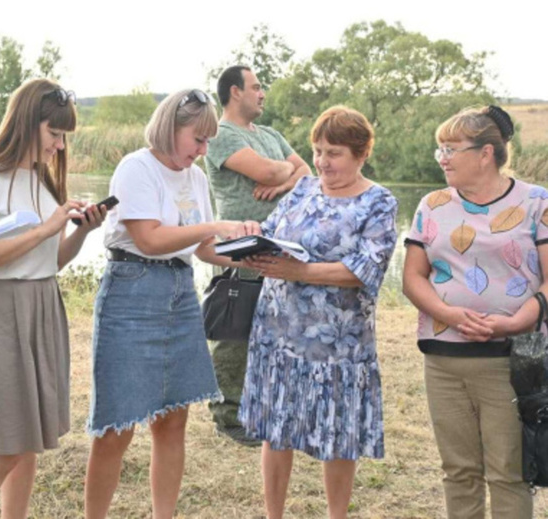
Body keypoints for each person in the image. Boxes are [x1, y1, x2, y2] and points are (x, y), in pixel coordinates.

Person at [84, 89, 253, 519]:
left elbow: (205, 249)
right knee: (116, 428)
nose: (203, 150)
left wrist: (253, 251)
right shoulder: (135, 168)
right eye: (197, 139)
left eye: (208, 141)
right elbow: (149, 238)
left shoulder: (195, 177)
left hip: (180, 293)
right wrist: (214, 225)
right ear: (169, 128)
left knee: (173, 420)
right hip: (131, 292)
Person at [0, 79, 104, 518]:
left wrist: (80, 231)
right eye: (53, 134)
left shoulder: (39, 179)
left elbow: (50, 261)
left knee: (28, 440)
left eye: (63, 137)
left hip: (39, 305)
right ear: (25, 124)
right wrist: (44, 227)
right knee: (4, 445)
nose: (58, 145)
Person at [239, 106, 398, 519]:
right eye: (317, 150)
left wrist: (300, 270)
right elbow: (272, 233)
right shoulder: (303, 188)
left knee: (339, 435)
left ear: (362, 154)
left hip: (338, 344)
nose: (322, 161)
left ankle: (336, 516)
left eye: (334, 153)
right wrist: (249, 242)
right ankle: (273, 514)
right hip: (278, 332)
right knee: (276, 432)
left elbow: (365, 269)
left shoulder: (379, 202)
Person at [402, 106, 545, 518]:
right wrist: (450, 314)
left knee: (509, 473)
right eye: (439, 149)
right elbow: (413, 277)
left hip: (513, 359)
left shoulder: (537, 202)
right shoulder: (431, 205)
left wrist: (519, 321)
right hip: (444, 361)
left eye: (451, 149)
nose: (442, 157)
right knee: (458, 472)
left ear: (486, 153)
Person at [204, 65, 311, 446]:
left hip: (281, 246)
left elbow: (307, 170)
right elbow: (268, 171)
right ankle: (229, 416)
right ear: (235, 92)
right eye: (256, 87)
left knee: (277, 332)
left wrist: (282, 178)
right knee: (236, 334)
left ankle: (265, 409)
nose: (262, 93)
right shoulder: (220, 135)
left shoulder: (270, 134)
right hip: (241, 248)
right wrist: (282, 174)